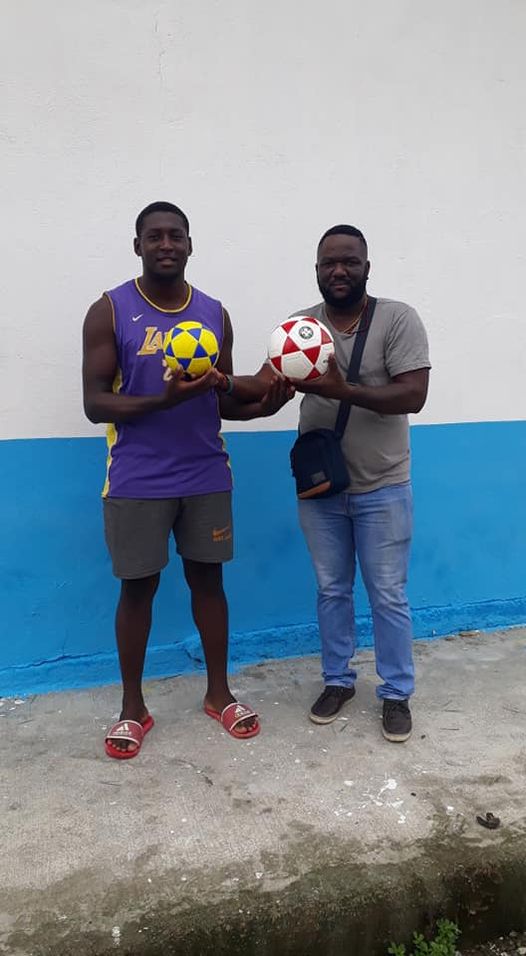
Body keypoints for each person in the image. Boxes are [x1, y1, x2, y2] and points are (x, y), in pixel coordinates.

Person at [82, 201, 291, 759]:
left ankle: (219, 694)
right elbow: (94, 403)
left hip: (205, 473)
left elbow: (220, 400)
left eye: (176, 235)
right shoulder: (109, 310)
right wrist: (161, 399)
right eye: (154, 236)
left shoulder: (214, 313)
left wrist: (263, 407)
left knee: (209, 583)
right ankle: (132, 708)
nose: (166, 244)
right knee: (138, 589)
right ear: (138, 246)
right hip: (136, 477)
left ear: (191, 245)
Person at [287, 224, 431, 742]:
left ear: (367, 267)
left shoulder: (397, 319)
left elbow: (413, 394)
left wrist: (342, 389)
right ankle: (337, 680)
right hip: (322, 488)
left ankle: (396, 693)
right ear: (317, 270)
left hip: (383, 486)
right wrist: (221, 384)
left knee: (387, 595)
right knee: (331, 590)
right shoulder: (301, 328)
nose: (339, 270)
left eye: (349, 261)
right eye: (329, 262)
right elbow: (268, 384)